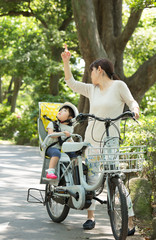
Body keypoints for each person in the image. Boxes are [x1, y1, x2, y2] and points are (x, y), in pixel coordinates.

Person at [61, 44, 139, 235]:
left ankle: (129, 222)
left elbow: (131, 101)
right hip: (93, 140)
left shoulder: (119, 86)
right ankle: (91, 217)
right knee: (92, 177)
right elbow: (71, 82)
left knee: (117, 179)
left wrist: (135, 110)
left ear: (100, 70)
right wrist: (66, 62)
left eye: (92, 71)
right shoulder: (92, 89)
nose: (90, 75)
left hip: (111, 141)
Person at [46, 102, 78, 179]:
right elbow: (50, 134)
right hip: (51, 147)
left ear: (70, 117)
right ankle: (50, 171)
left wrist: (75, 147)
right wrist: (62, 133)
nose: (60, 111)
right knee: (56, 153)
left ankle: (76, 171)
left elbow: (69, 140)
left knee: (75, 155)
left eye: (65, 111)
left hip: (62, 148)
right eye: (61, 110)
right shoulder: (52, 124)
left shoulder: (70, 128)